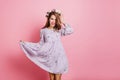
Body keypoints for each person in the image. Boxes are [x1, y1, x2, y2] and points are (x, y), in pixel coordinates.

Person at [19, 9, 74, 80]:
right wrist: (26, 44)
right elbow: (40, 44)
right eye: (52, 19)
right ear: (48, 19)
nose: (53, 21)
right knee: (51, 79)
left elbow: (71, 30)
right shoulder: (43, 31)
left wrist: (62, 21)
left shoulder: (58, 30)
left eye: (55, 19)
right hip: (50, 58)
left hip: (59, 58)